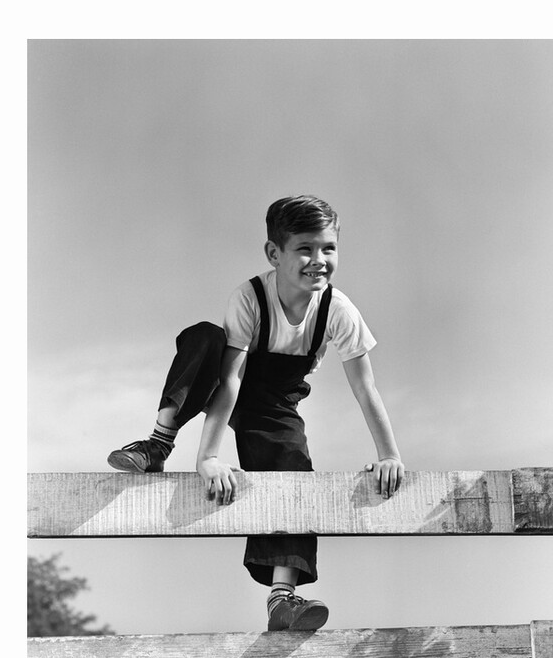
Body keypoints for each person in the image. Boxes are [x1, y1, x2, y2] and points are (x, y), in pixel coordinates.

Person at [108, 195, 404, 631]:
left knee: (293, 469)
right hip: (230, 378)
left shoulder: (337, 310)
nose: (318, 260)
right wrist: (207, 457)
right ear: (274, 253)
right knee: (206, 337)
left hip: (276, 404)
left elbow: (365, 387)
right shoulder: (249, 297)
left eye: (328, 248)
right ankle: (158, 442)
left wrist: (390, 455)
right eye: (304, 248)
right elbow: (230, 382)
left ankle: (282, 599)